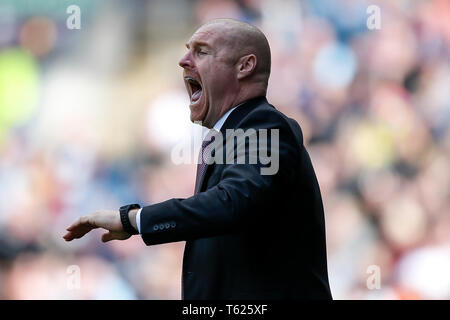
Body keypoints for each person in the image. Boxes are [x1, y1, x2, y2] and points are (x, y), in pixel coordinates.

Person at [63, 18, 332, 300]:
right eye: (187, 50)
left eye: (201, 52)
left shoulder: (265, 126)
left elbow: (232, 203)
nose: (183, 61)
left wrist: (134, 220)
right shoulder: (226, 136)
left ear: (245, 66)